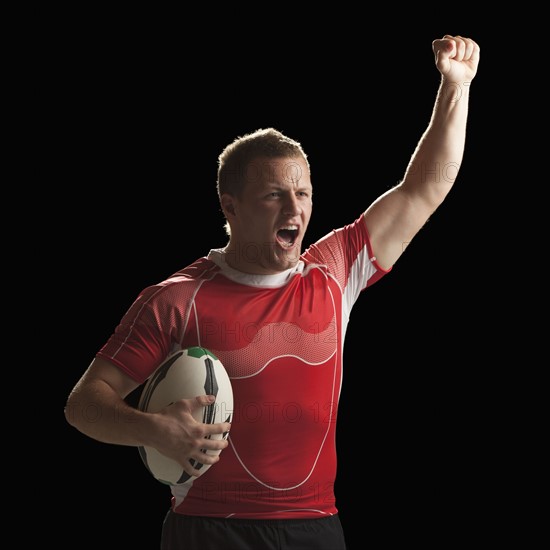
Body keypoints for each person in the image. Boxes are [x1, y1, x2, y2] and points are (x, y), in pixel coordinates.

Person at [65, 34, 480, 550]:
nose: (295, 208)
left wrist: (455, 86)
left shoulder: (334, 270)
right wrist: (152, 429)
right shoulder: (176, 299)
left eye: (303, 192)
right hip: (206, 529)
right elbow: (84, 404)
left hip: (316, 526)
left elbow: (425, 187)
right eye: (273, 195)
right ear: (231, 207)